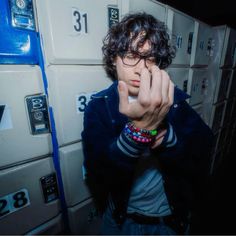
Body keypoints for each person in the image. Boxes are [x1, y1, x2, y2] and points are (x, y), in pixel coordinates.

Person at [81, 12, 213, 235]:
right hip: (122, 220)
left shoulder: (174, 102)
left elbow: (202, 151)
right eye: (131, 55)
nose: (141, 68)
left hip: (168, 221)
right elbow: (98, 173)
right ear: (114, 58)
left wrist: (168, 138)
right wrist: (136, 134)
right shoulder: (99, 106)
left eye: (150, 58)